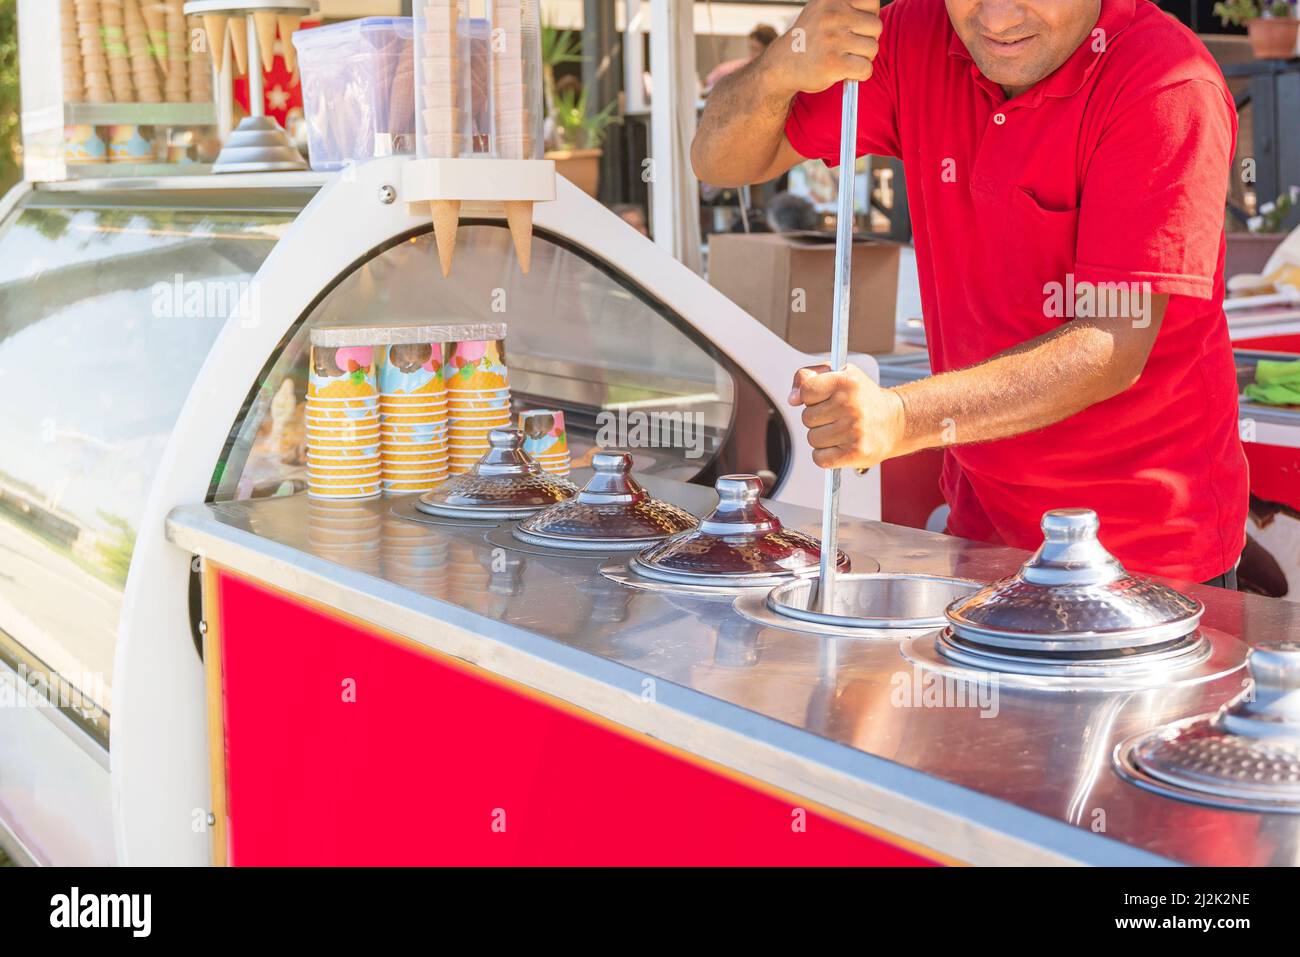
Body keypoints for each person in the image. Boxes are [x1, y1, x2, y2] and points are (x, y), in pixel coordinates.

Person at [691, 0, 1247, 586]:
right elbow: (721, 161)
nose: (998, 19)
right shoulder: (914, 34)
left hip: (1145, 548)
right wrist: (784, 63)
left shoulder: (1166, 82)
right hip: (982, 529)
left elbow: (1111, 346)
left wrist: (899, 419)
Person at [705, 25, 780, 91]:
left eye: (756, 49)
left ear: (770, 50)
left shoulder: (779, 74)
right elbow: (709, 80)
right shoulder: (739, 68)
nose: (752, 54)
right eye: (751, 48)